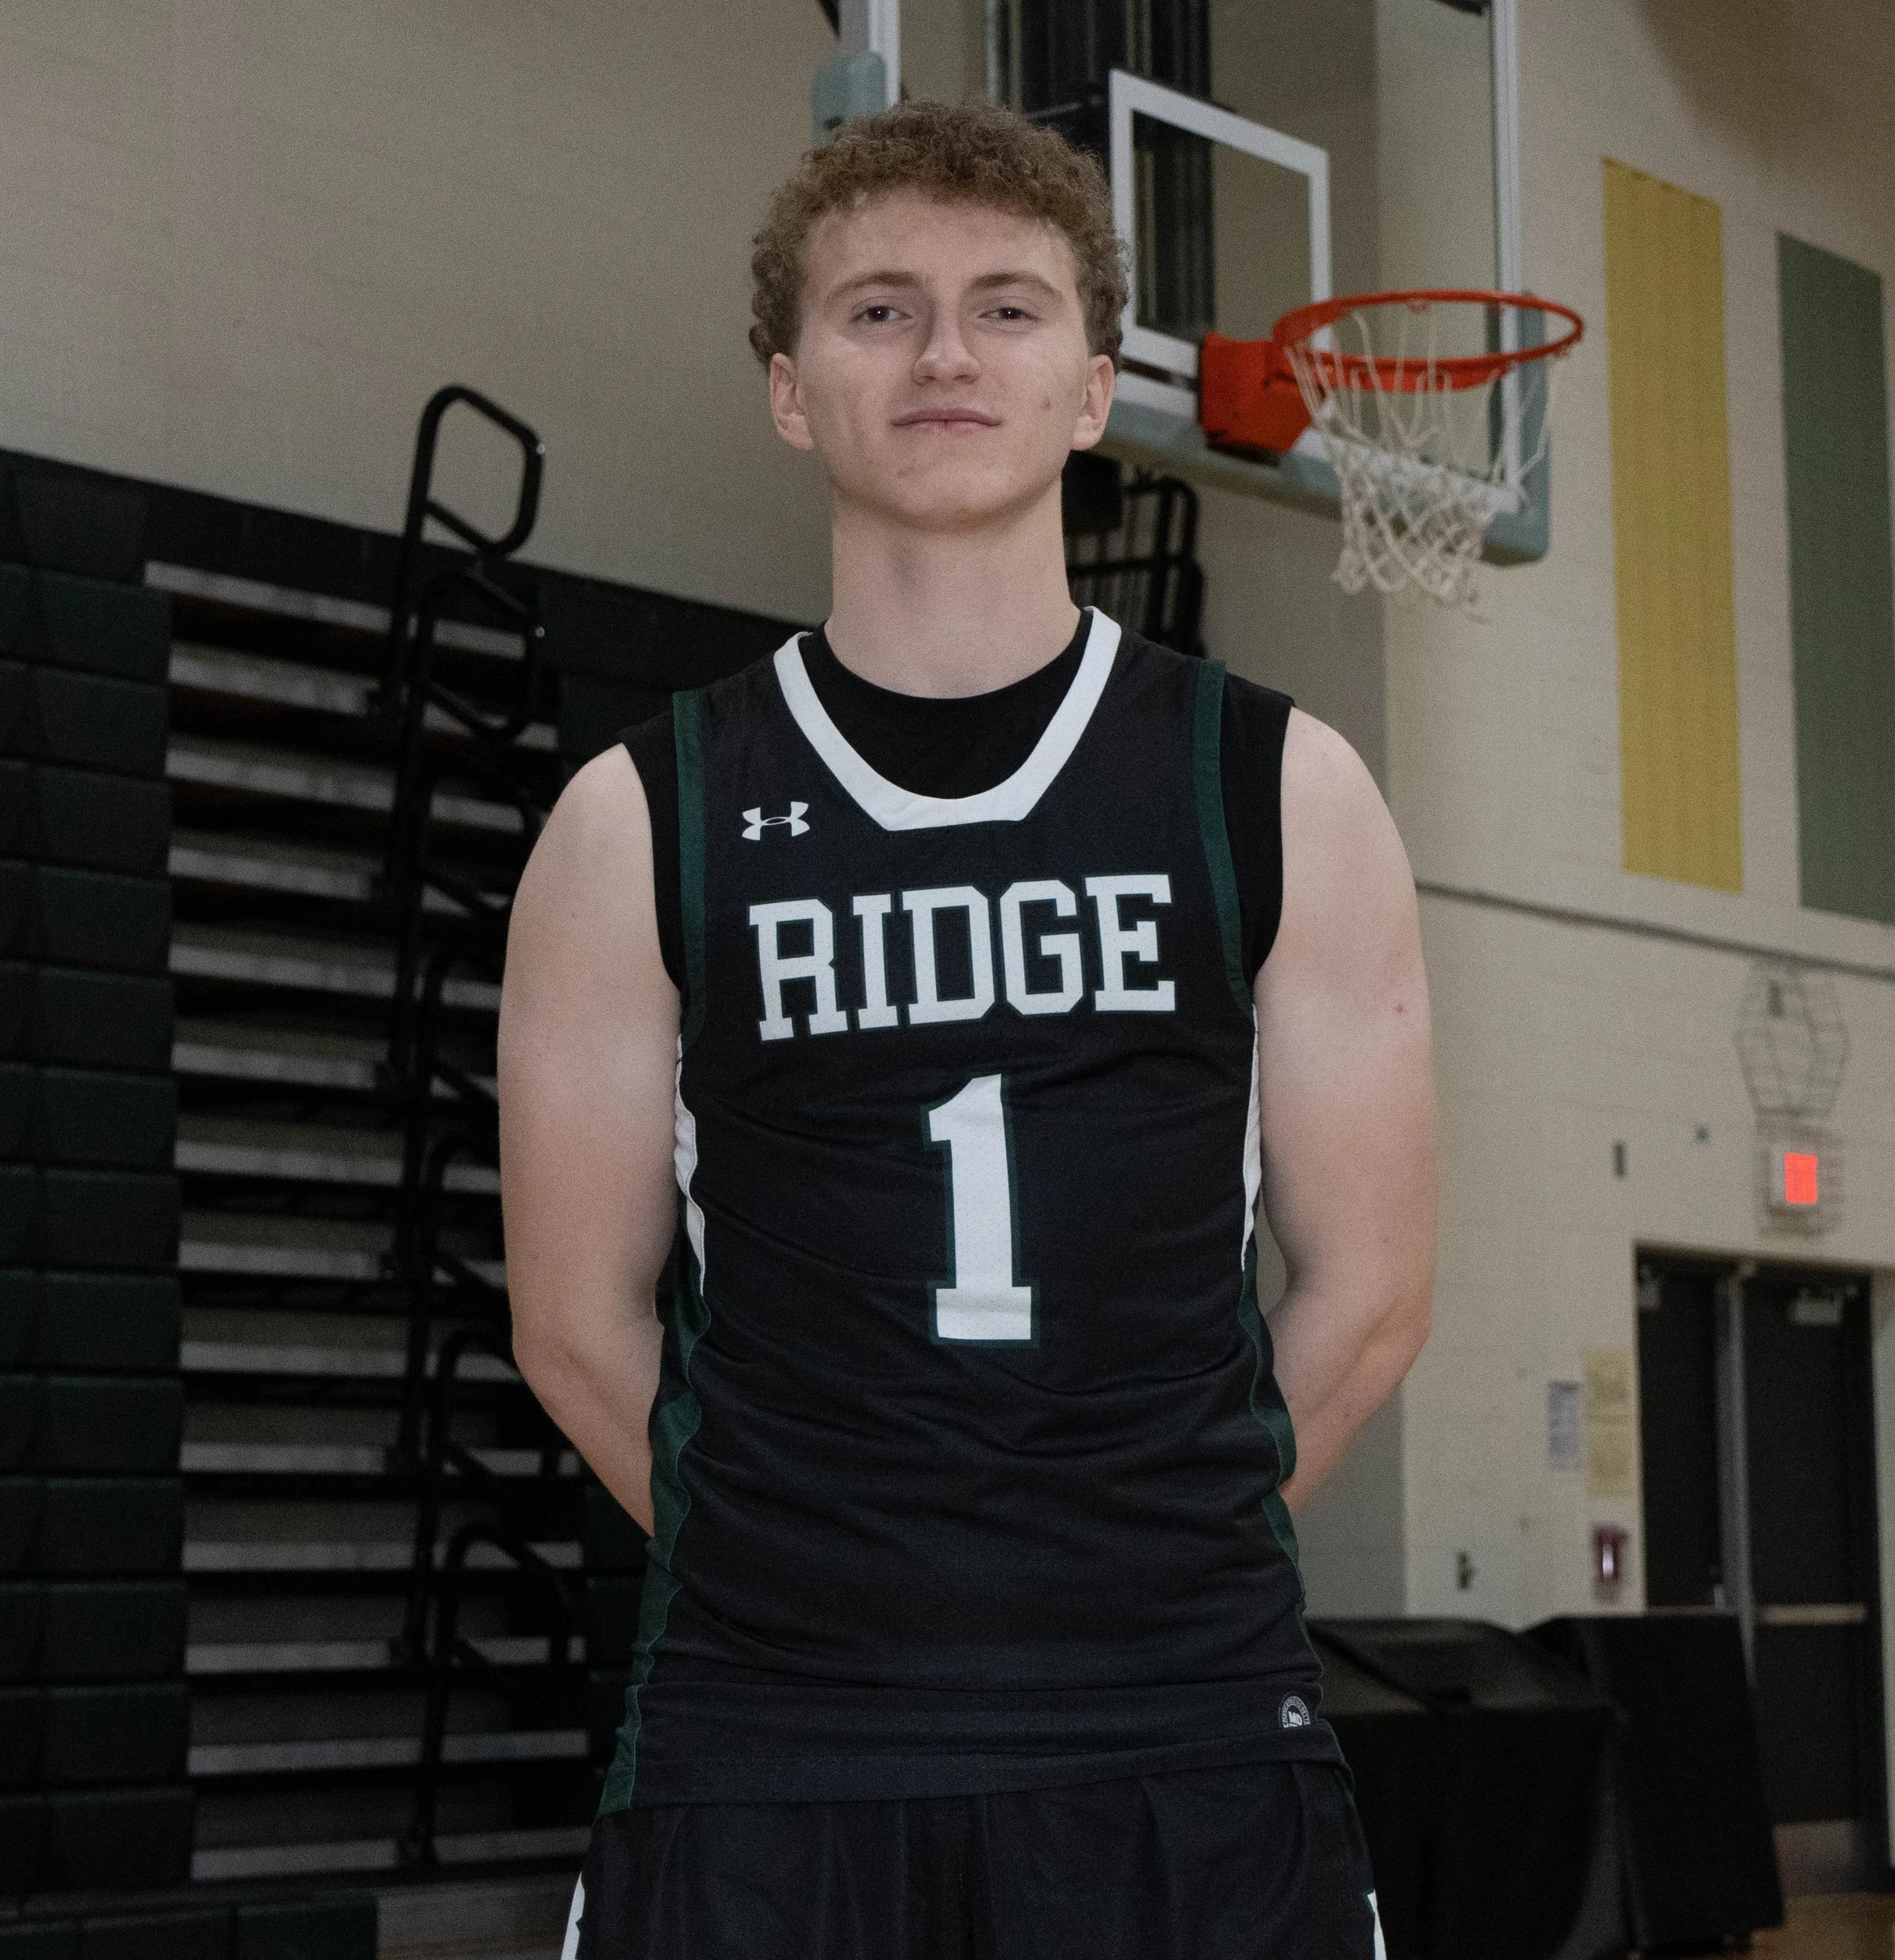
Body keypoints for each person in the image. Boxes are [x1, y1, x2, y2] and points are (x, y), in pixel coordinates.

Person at [500, 99, 1435, 1960]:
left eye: (1007, 309)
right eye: (877, 311)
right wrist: (804, 1574)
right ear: (787, 388)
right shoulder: (638, 815)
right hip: (768, 1744)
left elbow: (1371, 1284)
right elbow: (572, 1319)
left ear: (1095, 386)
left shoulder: (1271, 784)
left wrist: (1140, 1558)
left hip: (1182, 1733)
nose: (944, 353)